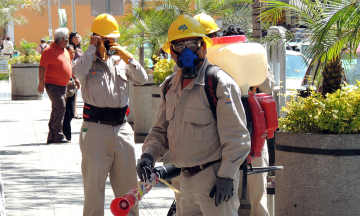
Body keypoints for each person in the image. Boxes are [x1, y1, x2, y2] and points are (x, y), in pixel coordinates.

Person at [137, 14, 251, 216]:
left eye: (192, 43)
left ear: (204, 47)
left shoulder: (218, 84)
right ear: (172, 52)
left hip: (214, 180)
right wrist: (148, 155)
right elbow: (160, 131)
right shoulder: (169, 87)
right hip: (184, 180)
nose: (186, 51)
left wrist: (226, 176)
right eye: (180, 46)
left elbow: (237, 138)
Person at [72, 13, 147, 216]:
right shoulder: (86, 60)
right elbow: (78, 73)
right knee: (94, 190)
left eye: (112, 38)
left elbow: (141, 78)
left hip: (122, 128)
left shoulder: (121, 60)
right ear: (96, 37)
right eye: (105, 38)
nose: (109, 42)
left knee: (128, 188)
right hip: (95, 129)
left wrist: (127, 57)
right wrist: (91, 48)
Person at [223, 24, 275, 216]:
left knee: (258, 187)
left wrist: (251, 66)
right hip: (228, 129)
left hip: (255, 130)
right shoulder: (218, 62)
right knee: (229, 186)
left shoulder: (255, 58)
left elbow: (269, 87)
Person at [37, 27, 77, 144]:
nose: (68, 41)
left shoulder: (64, 50)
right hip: (52, 84)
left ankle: (52, 136)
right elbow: (42, 67)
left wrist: (73, 78)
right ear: (61, 39)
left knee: (56, 108)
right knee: (61, 107)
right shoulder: (48, 50)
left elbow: (68, 66)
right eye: (66, 39)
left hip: (63, 85)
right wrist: (41, 82)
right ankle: (58, 135)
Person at [62, 45, 79, 142]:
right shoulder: (63, 62)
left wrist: (76, 80)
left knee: (71, 113)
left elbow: (72, 73)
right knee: (67, 114)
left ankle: (63, 131)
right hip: (64, 90)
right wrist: (66, 79)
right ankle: (67, 136)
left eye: (73, 52)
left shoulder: (71, 62)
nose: (72, 54)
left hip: (72, 90)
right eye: (70, 52)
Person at [69, 31, 83, 119]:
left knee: (76, 93)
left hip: (79, 73)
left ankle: (75, 112)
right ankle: (74, 112)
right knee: (74, 93)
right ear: (71, 39)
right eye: (75, 37)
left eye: (78, 37)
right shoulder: (71, 49)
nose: (78, 39)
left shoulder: (78, 49)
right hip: (73, 73)